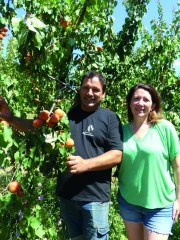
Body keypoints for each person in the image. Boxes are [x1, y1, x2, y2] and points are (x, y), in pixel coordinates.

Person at [0, 71, 123, 240]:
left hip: (95, 198)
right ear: (79, 90)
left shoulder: (110, 118)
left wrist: (85, 164)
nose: (90, 93)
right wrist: (11, 118)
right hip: (67, 196)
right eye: (86, 88)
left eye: (95, 89)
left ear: (103, 93)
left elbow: (116, 155)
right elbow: (34, 126)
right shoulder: (65, 117)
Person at [117, 83, 180, 240]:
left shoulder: (165, 128)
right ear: (129, 103)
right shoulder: (120, 131)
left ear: (153, 105)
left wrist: (179, 200)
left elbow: (178, 166)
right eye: (136, 98)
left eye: (146, 99)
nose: (140, 103)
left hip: (161, 205)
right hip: (129, 202)